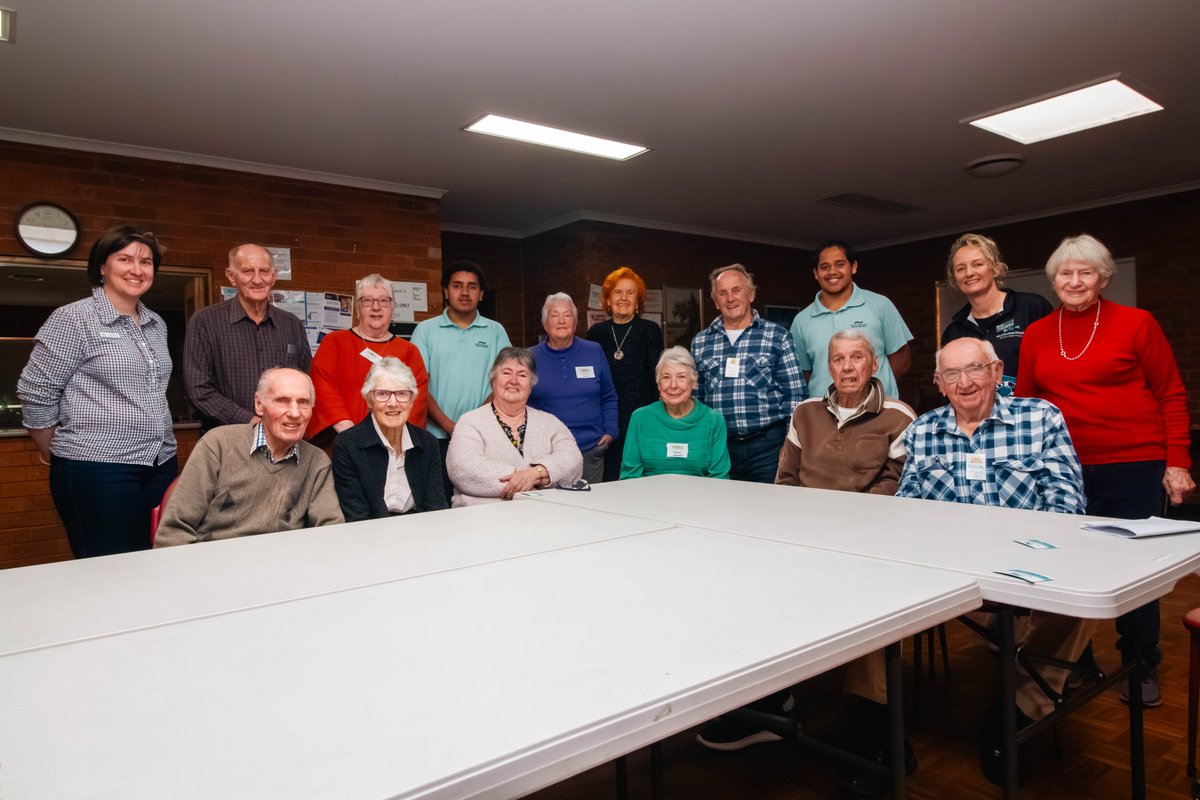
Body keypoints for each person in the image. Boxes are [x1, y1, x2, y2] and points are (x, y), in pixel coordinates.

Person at [698, 330, 915, 794]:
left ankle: (878, 730)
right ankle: (770, 702)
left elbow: (899, 488)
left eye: (857, 357)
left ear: (873, 364)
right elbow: (786, 479)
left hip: (869, 546)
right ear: (828, 367)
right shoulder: (806, 412)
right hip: (804, 539)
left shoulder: (898, 417)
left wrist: (844, 525)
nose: (848, 366)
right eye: (839, 359)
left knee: (871, 610)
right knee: (743, 585)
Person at [899, 337, 1092, 786]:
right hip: (950, 566)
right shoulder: (924, 430)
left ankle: (1019, 709)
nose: (965, 383)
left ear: (997, 370)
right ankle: (880, 721)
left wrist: (1022, 550)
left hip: (1027, 558)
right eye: (952, 374)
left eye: (975, 369)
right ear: (939, 383)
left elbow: (1066, 503)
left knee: (1083, 597)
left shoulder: (1039, 417)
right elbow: (905, 510)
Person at [1015, 233, 1194, 707]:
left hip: (1134, 464)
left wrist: (1177, 461)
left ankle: (1141, 664)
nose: (1074, 281)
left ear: (1103, 278)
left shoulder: (1137, 324)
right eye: (1065, 273)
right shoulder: (1036, 334)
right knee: (1069, 567)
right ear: (1053, 280)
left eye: (1085, 272)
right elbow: (1027, 406)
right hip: (1064, 468)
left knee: (1134, 570)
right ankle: (1076, 662)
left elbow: (1171, 394)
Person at [18, 225, 178, 558]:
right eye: (125, 259)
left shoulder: (156, 323)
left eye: (146, 262)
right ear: (102, 267)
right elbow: (35, 391)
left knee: (159, 560)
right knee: (111, 571)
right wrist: (54, 448)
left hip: (159, 462)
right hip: (97, 467)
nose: (137, 269)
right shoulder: (74, 319)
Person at [155, 368, 343, 546]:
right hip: (216, 565)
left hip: (284, 566)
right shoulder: (218, 444)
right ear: (259, 405)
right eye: (282, 401)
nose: (295, 413)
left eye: (303, 402)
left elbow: (330, 531)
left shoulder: (317, 461)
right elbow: (174, 532)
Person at [691, 264, 807, 483]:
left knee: (769, 511)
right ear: (715, 301)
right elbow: (696, 400)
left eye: (736, 290)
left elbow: (796, 396)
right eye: (722, 293)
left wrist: (789, 445)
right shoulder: (700, 342)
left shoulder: (777, 336)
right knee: (722, 511)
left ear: (751, 294)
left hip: (768, 448)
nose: (730, 298)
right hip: (719, 447)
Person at [411, 260, 511, 501]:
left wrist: (472, 424)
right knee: (438, 503)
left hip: (485, 436)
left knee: (485, 504)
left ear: (481, 294)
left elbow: (505, 382)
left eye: (472, 287)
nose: (465, 292)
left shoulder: (495, 331)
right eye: (457, 286)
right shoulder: (425, 330)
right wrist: (449, 425)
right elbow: (417, 384)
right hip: (436, 438)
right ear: (445, 291)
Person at [183, 244, 312, 431]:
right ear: (231, 276)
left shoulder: (291, 325)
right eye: (248, 271)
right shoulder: (205, 321)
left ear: (274, 276)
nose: (257, 279)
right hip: (228, 441)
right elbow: (198, 390)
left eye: (264, 271)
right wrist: (252, 422)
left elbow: (305, 382)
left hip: (284, 438)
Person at [445, 348, 582, 506]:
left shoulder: (550, 422)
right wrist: (529, 480)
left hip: (543, 517)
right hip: (482, 520)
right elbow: (463, 469)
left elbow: (573, 460)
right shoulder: (470, 421)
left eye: (522, 375)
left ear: (531, 385)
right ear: (493, 381)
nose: (514, 380)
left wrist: (533, 474)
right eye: (506, 373)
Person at [307, 274, 429, 443]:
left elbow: (418, 398)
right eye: (367, 301)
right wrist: (351, 434)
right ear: (358, 308)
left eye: (384, 301)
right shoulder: (334, 342)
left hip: (393, 443)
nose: (376, 307)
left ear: (393, 308)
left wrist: (389, 436)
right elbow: (322, 388)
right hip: (342, 440)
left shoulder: (409, 351)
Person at [790, 241, 912, 398]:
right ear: (815, 273)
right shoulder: (802, 320)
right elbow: (803, 373)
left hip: (877, 409)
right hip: (825, 412)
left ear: (853, 267)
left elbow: (902, 359)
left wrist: (873, 391)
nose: (832, 272)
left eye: (839, 264)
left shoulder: (880, 305)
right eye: (824, 267)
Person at [331, 358, 446, 521]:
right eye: (382, 394)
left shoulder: (428, 443)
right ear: (369, 400)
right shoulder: (347, 444)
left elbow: (436, 508)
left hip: (420, 533)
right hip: (369, 536)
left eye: (402, 394)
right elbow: (356, 516)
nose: (393, 403)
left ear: (412, 400)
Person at [941, 232, 1052, 394]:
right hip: (981, 418)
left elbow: (1057, 366)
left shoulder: (1031, 307)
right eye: (960, 269)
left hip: (1033, 413)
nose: (969, 273)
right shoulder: (954, 332)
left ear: (995, 268)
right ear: (954, 278)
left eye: (978, 264)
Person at [528, 293, 619, 484]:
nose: (561, 320)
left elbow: (608, 396)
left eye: (567, 315)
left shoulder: (594, 351)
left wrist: (610, 431)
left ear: (576, 322)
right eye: (554, 315)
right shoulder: (530, 357)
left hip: (591, 450)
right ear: (545, 324)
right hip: (547, 455)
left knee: (591, 508)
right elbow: (522, 403)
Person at [586, 267, 664, 482]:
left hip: (642, 421)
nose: (624, 298)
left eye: (630, 293)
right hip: (607, 423)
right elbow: (593, 381)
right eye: (617, 292)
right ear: (608, 300)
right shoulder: (596, 333)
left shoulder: (650, 330)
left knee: (640, 483)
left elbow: (658, 379)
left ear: (638, 300)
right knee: (609, 483)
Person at [620, 347, 729, 479]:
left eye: (681, 377)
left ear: (694, 382)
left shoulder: (714, 420)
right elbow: (630, 476)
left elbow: (719, 477)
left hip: (700, 498)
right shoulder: (640, 418)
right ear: (658, 384)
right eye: (666, 377)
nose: (673, 385)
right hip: (650, 497)